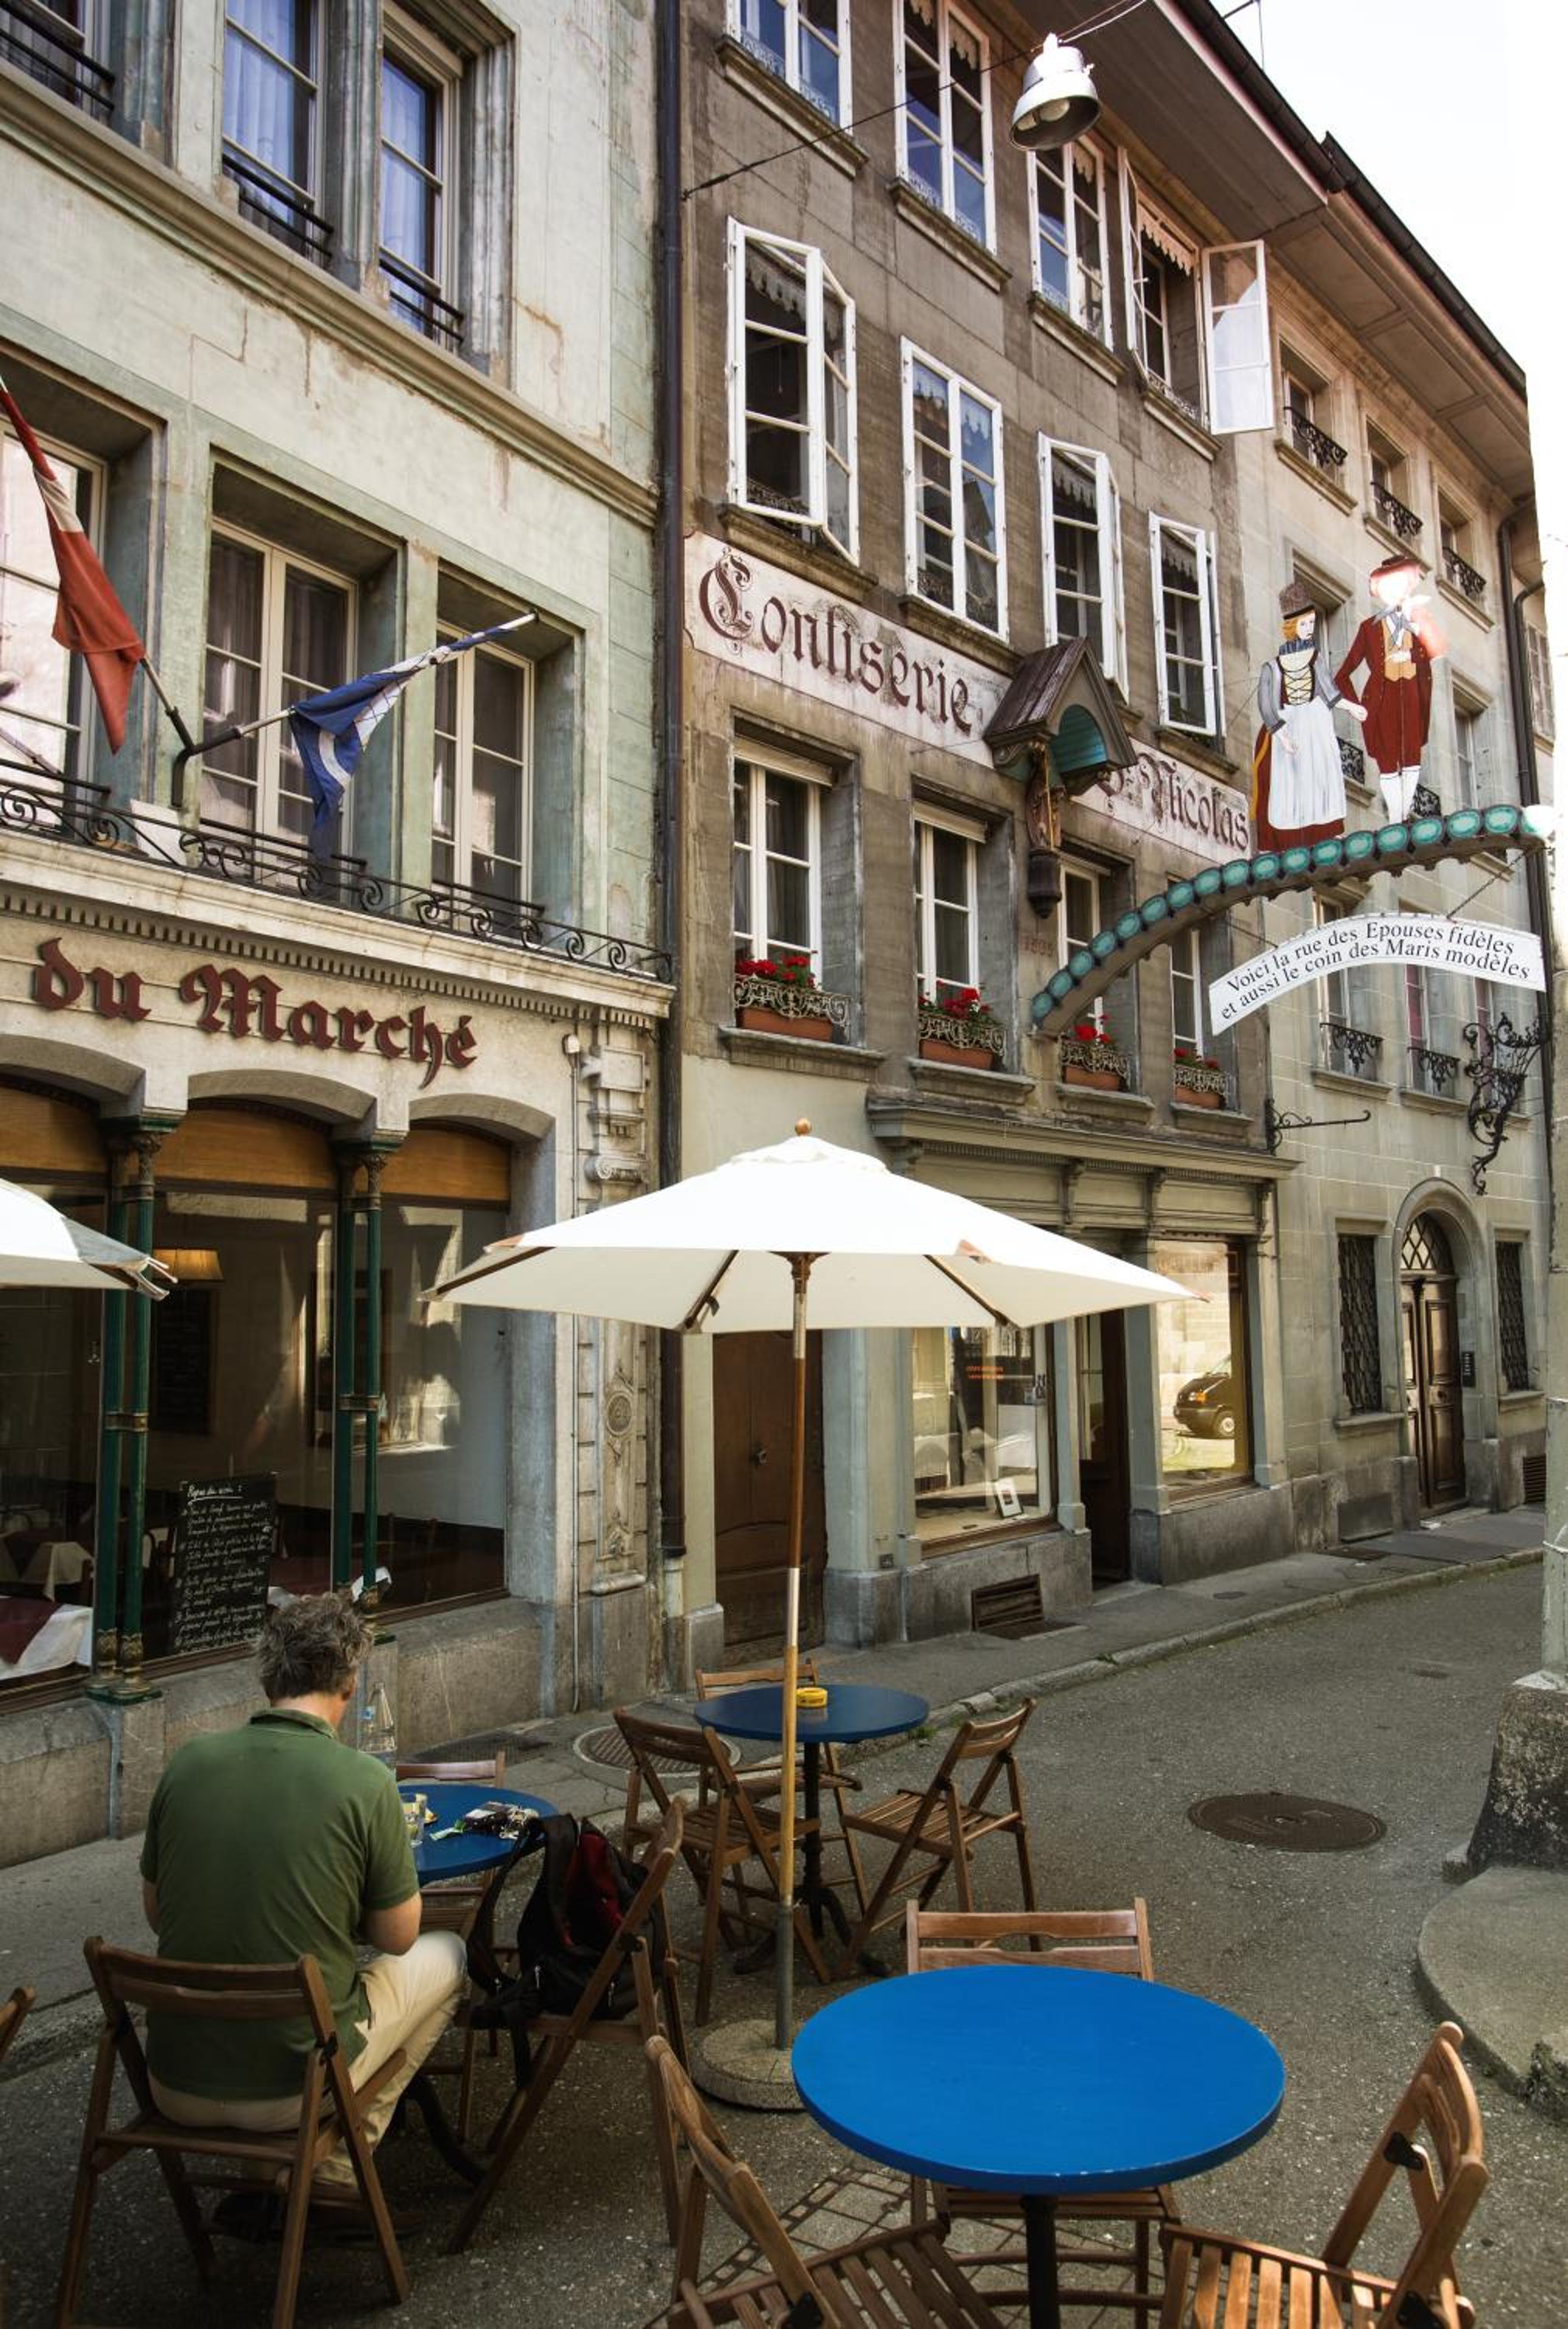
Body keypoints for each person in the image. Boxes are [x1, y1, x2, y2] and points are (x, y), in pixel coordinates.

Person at [139, 1593, 466, 2195]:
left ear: (268, 1678)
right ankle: (332, 2171)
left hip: (173, 2081)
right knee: (448, 1953)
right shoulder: (365, 1781)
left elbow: (159, 1914)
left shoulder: (186, 1764)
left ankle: (276, 2180)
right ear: (350, 1681)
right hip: (295, 2086)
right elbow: (396, 1937)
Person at [1333, 551, 1446, 822]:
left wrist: (1410, 653)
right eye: (1386, 586)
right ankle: (1396, 817)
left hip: (1412, 696)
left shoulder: (1419, 617)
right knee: (1387, 762)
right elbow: (1343, 674)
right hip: (1381, 701)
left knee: (1411, 757)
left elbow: (1438, 648)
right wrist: (1355, 706)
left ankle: (1403, 814)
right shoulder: (1368, 628)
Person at [1251, 580, 1365, 850]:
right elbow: (1267, 705)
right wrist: (1282, 736)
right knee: (1289, 782)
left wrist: (1351, 707)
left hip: (1315, 725)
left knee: (1320, 776)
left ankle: (1324, 831)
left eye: (1312, 623)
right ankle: (1289, 838)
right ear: (1292, 626)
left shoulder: (1316, 659)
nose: (1310, 629)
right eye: (1304, 624)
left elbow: (1330, 692)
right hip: (1288, 724)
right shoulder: (1272, 667)